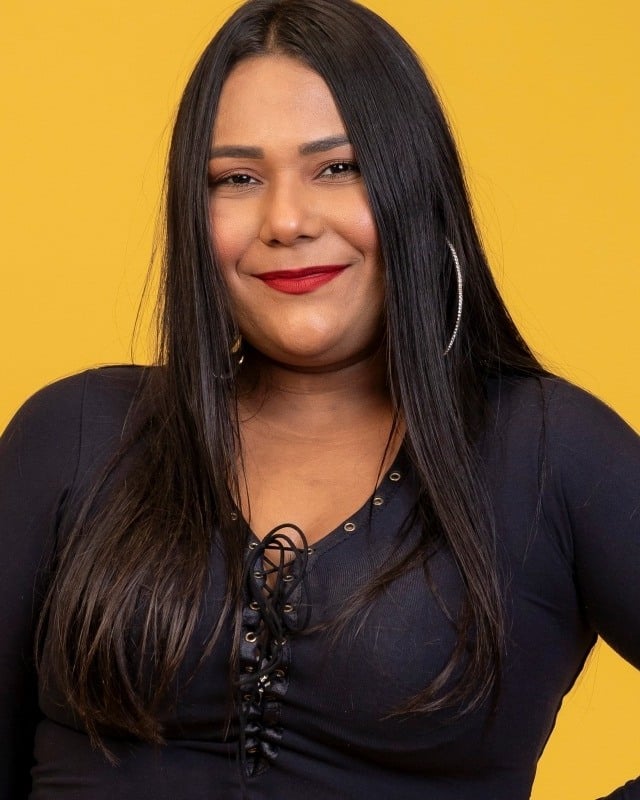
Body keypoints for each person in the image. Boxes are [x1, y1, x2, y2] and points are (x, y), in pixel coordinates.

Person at [1, 0, 638, 797]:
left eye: (337, 168)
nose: (287, 221)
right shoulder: (75, 434)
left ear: (416, 188)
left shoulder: (552, 454)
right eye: (236, 179)